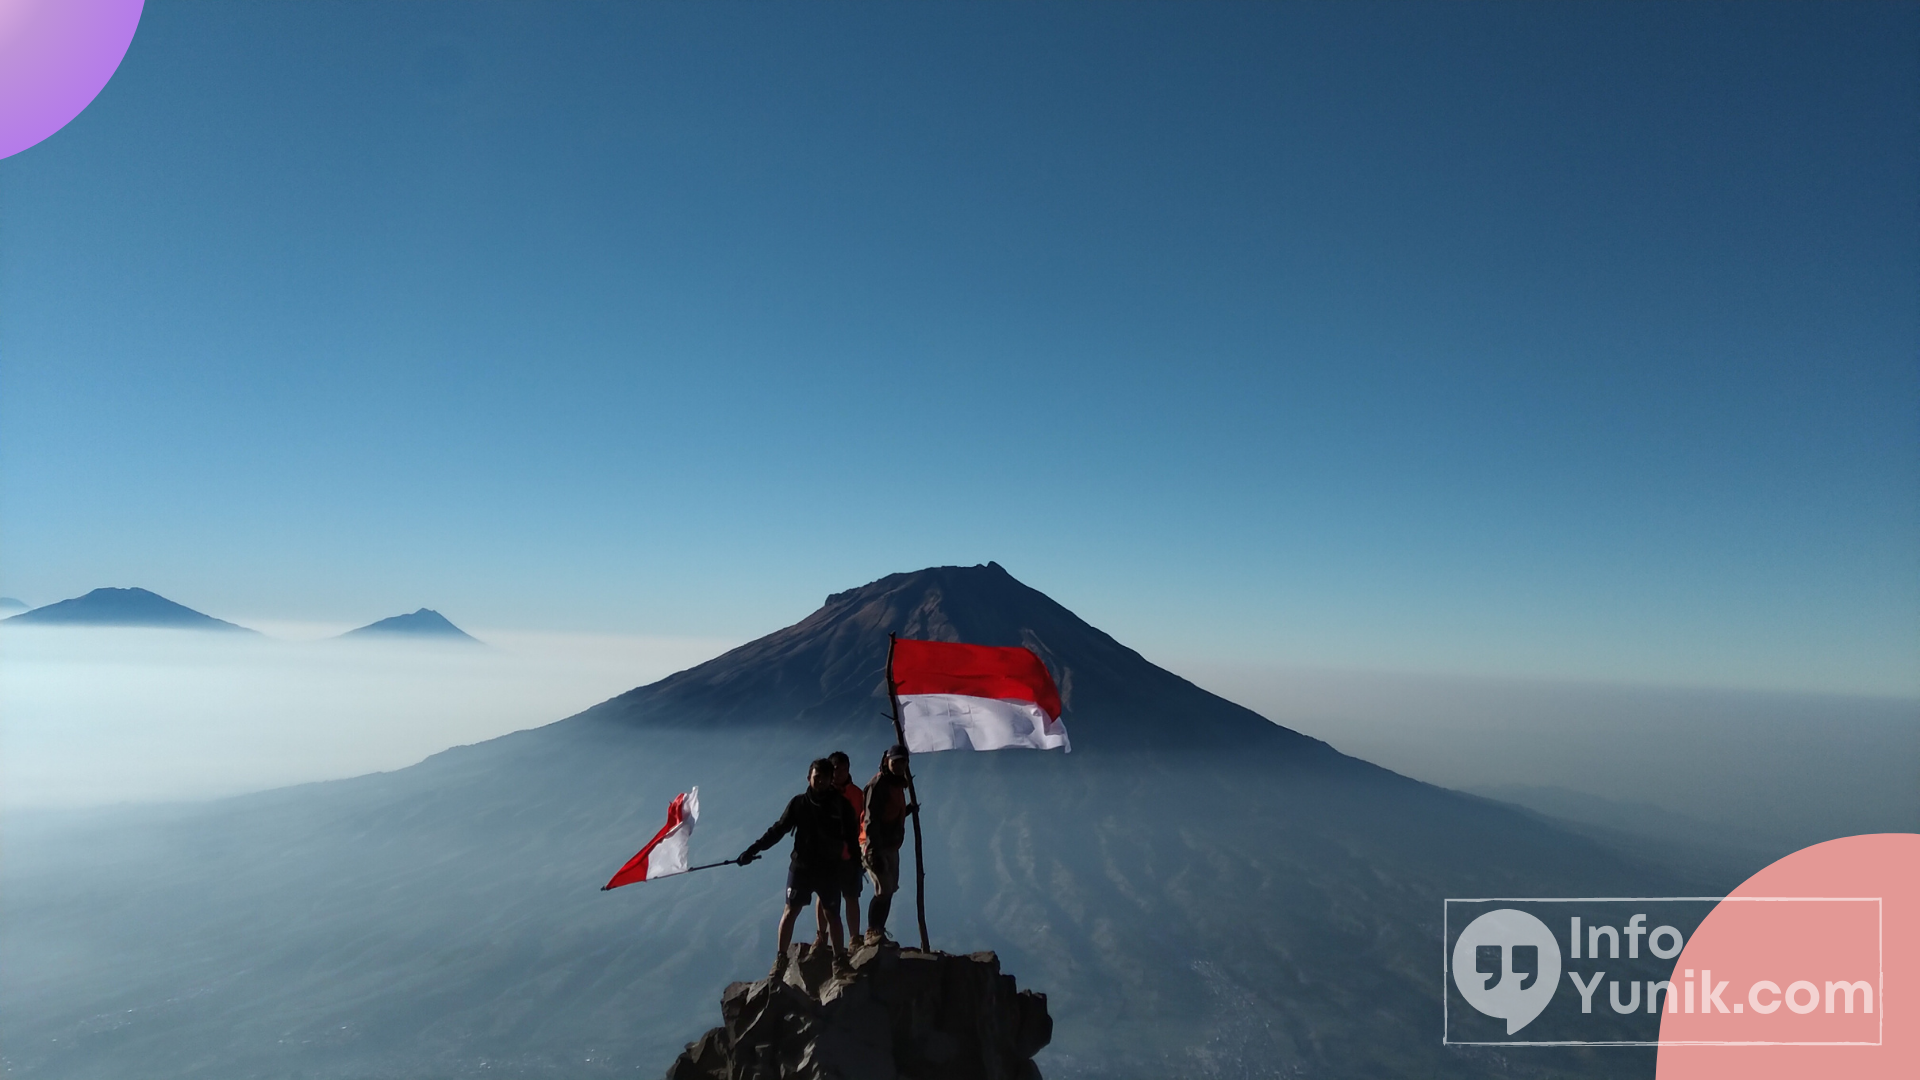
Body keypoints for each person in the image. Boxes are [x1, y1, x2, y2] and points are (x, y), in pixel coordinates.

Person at [738, 757, 861, 980]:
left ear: (830, 779)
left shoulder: (840, 806)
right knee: (791, 911)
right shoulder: (799, 804)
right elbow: (778, 830)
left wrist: (855, 864)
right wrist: (752, 850)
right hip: (802, 867)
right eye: (817, 777)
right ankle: (781, 959)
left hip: (829, 869)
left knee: (832, 914)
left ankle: (839, 961)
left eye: (825, 778)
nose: (821, 782)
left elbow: (852, 838)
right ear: (809, 778)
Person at [861, 744, 916, 946]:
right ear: (887, 761)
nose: (900, 765)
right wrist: (873, 851)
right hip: (875, 846)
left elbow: (889, 816)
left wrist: (908, 810)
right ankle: (871, 931)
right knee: (883, 889)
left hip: (891, 845)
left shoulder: (898, 784)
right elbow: (871, 819)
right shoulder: (879, 785)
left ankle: (879, 931)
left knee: (890, 889)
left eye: (903, 761)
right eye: (896, 762)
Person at [813, 750, 864, 948]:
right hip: (826, 855)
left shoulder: (857, 794)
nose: (841, 773)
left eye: (844, 769)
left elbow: (863, 823)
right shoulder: (821, 795)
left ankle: (854, 939)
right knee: (824, 896)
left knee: (851, 896)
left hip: (850, 854)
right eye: (836, 769)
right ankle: (821, 936)